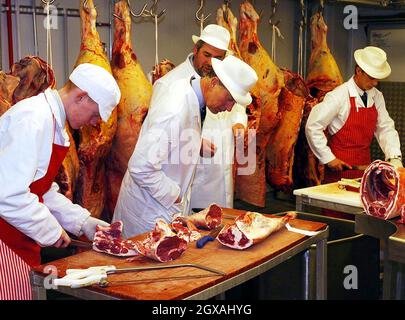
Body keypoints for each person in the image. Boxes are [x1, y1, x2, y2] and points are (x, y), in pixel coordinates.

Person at [0, 63, 121, 300]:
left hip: (19, 239)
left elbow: (41, 190)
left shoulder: (53, 123)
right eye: (95, 114)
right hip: (4, 242)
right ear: (81, 97)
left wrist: (82, 221)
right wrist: (50, 230)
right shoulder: (32, 118)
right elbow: (7, 194)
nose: (95, 122)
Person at [113, 55, 258, 238]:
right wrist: (176, 195)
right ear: (214, 82)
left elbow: (170, 138)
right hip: (146, 213)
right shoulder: (175, 108)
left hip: (161, 210)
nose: (229, 108)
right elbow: (141, 167)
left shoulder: (191, 95)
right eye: (230, 99)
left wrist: (195, 143)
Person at [154, 24, 247, 209]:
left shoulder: (224, 79)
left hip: (223, 178)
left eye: (218, 57)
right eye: (207, 55)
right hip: (191, 187)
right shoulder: (169, 84)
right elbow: (157, 138)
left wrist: (239, 122)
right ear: (195, 49)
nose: (211, 62)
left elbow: (237, 105)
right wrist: (192, 142)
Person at [306, 46, 402, 188]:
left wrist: (394, 157)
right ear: (358, 71)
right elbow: (313, 126)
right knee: (337, 209)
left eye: (377, 79)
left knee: (361, 208)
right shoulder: (338, 95)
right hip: (339, 172)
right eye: (371, 78)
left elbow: (385, 128)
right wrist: (328, 158)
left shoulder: (377, 96)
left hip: (364, 171)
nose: (375, 83)